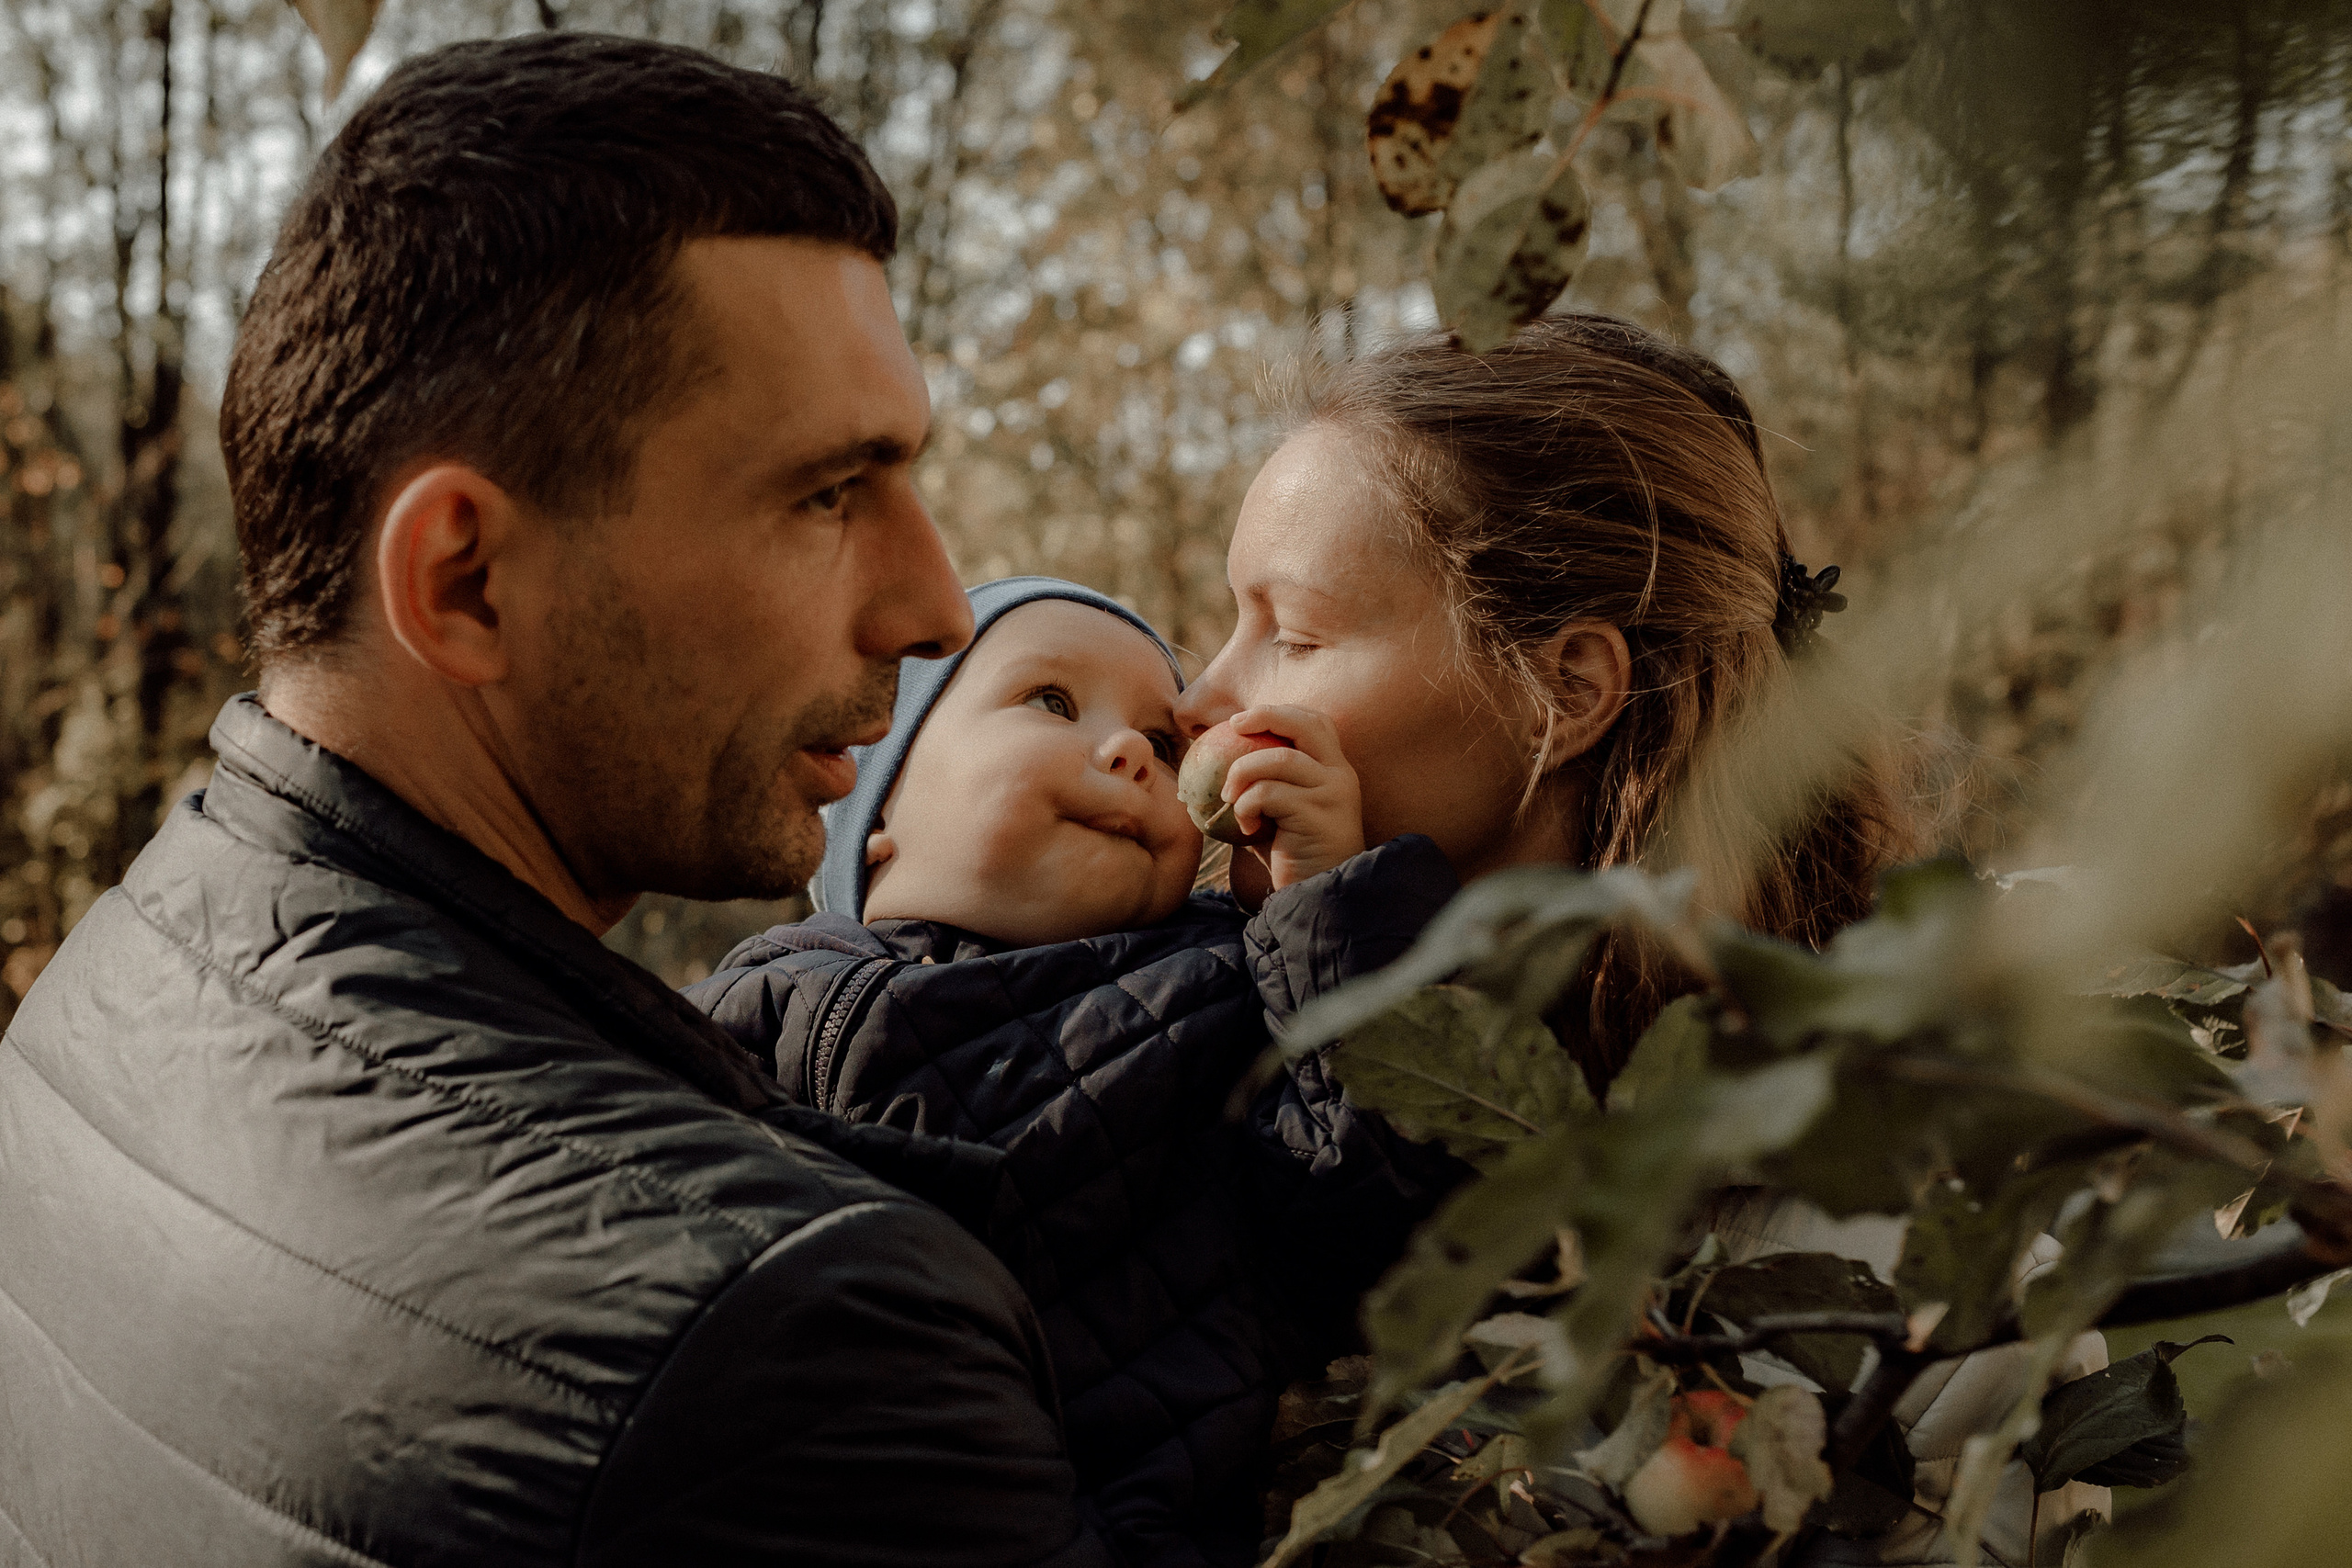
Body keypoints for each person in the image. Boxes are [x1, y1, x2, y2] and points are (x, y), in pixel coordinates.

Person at [0, 34, 1128, 1566]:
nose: (937, 606)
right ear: (463, 577)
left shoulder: (101, 987)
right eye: (824, 494)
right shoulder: (796, 1344)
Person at [1171, 315, 2107, 1566]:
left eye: (1292, 631)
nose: (1202, 694)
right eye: (1230, 621)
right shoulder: (1215, 1071)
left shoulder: (1914, 1297)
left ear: (1566, 688)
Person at [687, 576, 1464, 1567]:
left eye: (1169, 743)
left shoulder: (1230, 992)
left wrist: (1323, 918)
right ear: (875, 816)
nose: (1133, 749)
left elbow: (1376, 1222)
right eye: (1052, 702)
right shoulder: (758, 1013)